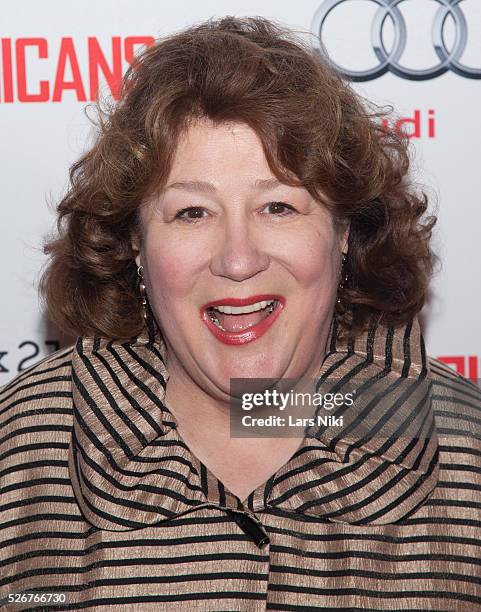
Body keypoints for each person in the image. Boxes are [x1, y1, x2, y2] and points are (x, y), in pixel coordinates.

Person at [1, 15, 480, 611]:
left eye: (278, 206)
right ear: (134, 245)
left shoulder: (468, 452)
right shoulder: (19, 448)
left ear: (345, 234)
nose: (237, 259)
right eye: (192, 213)